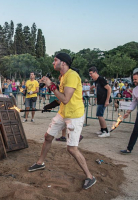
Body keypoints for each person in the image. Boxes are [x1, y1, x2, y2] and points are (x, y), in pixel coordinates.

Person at [28, 53, 96, 190]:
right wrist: (50, 106)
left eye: (55, 60)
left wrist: (50, 85)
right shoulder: (63, 76)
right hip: (63, 113)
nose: (53, 63)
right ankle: (40, 162)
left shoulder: (72, 76)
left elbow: (65, 99)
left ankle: (90, 176)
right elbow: (60, 99)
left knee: (71, 148)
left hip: (74, 116)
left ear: (63, 63)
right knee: (48, 137)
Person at [89, 67, 112, 137]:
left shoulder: (101, 79)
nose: (90, 75)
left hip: (103, 100)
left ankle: (106, 131)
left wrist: (107, 100)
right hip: (100, 100)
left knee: (100, 115)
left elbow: (109, 88)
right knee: (99, 115)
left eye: (91, 73)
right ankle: (102, 129)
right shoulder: (96, 81)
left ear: (95, 72)